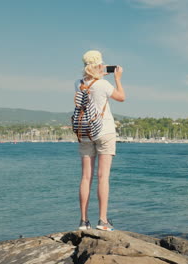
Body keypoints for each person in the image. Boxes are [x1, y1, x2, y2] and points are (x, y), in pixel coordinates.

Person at [75, 50, 125, 231]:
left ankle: (83, 221)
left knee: (86, 177)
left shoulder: (78, 83)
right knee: (103, 177)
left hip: (85, 132)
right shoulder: (103, 84)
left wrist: (96, 75)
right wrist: (117, 78)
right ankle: (102, 221)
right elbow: (121, 97)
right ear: (99, 65)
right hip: (104, 132)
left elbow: (90, 87)